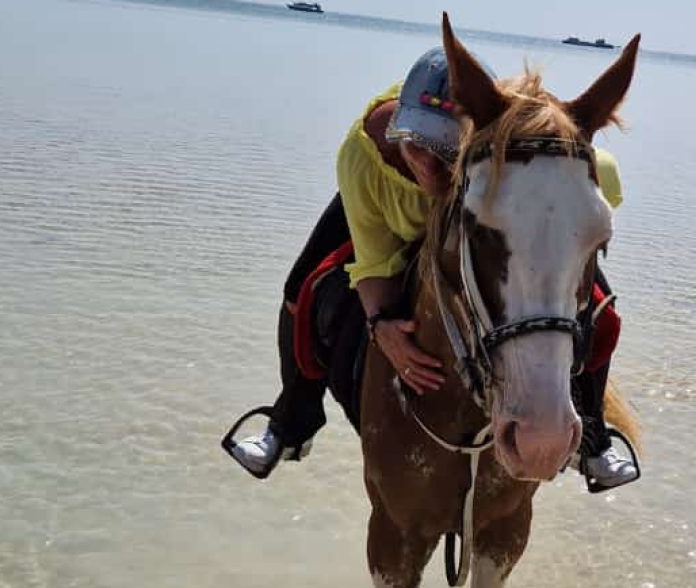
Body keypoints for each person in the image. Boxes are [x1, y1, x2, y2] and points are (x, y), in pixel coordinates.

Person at [225, 47, 639, 489]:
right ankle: (290, 423)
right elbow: (374, 257)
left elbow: (574, 216)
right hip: (385, 211)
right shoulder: (365, 156)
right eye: (414, 142)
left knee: (599, 311)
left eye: (445, 152)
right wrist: (380, 322)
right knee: (303, 290)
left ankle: (593, 438)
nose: (426, 163)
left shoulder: (498, 159)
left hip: (479, 204)